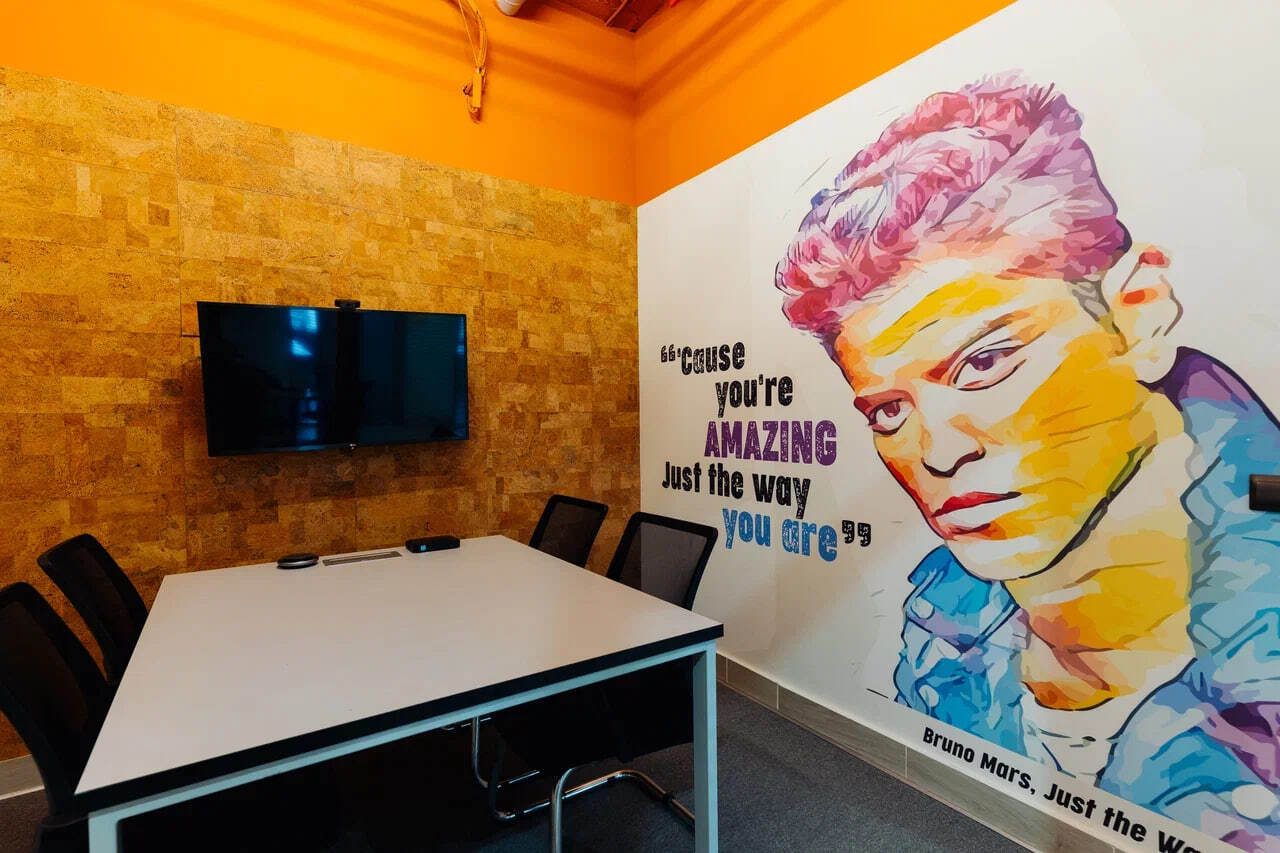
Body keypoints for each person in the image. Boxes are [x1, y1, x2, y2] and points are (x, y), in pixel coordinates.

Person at [774, 74, 1280, 850]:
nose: (938, 452)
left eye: (985, 362)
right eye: (889, 411)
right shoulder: (943, 622)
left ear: (1138, 315)